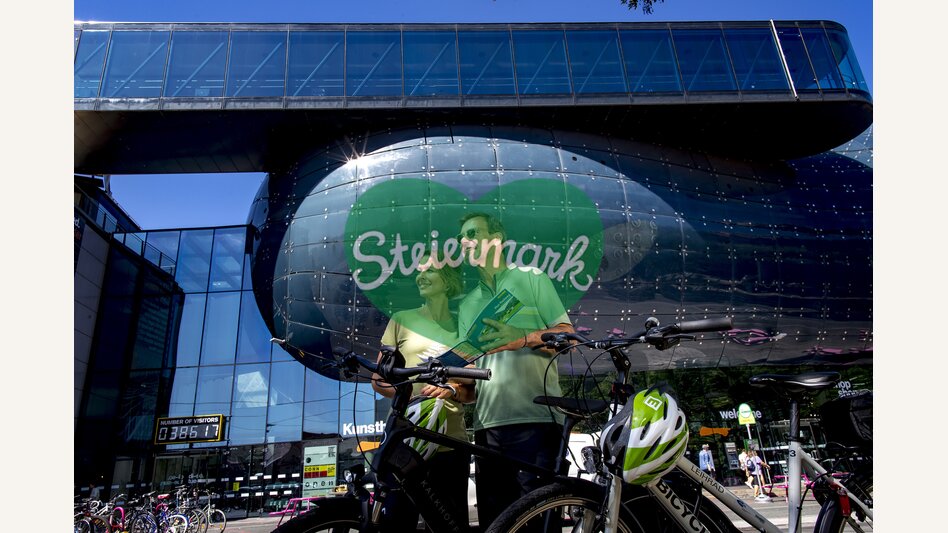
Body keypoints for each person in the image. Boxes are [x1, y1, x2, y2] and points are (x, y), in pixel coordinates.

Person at [455, 212, 575, 529]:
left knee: (539, 524)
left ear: (497, 238)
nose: (464, 241)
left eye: (472, 233)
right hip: (486, 429)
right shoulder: (467, 304)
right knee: (496, 524)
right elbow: (472, 374)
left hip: (538, 423)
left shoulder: (532, 277)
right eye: (461, 237)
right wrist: (449, 381)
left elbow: (568, 338)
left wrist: (522, 337)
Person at [370, 252, 472, 531]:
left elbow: (471, 392)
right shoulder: (401, 320)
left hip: (450, 443)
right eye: (419, 270)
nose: (420, 275)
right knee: (396, 524)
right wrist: (406, 394)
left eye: (429, 270)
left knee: (450, 526)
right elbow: (378, 379)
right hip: (404, 440)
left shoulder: (463, 326)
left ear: (448, 281)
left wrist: (452, 389)